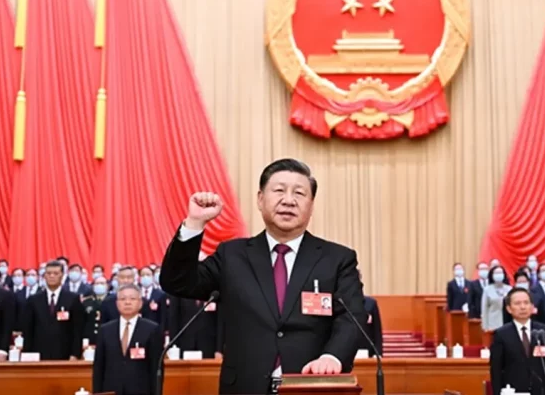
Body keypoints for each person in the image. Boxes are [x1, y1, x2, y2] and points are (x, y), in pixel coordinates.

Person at [160, 159, 366, 394]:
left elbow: (353, 317)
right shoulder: (232, 255)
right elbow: (177, 282)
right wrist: (195, 223)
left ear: (311, 205)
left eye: (299, 193)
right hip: (244, 386)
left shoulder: (337, 259)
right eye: (279, 190)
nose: (288, 200)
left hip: (310, 384)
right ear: (260, 199)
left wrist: (333, 357)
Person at [489, 287, 545, 395]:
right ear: (509, 309)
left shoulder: (544, 332)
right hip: (514, 390)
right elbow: (496, 370)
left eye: (526, 303)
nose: (523, 307)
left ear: (532, 307)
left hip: (542, 390)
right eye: (517, 303)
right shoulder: (501, 334)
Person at [92, 284, 163, 395]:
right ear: (117, 303)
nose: (127, 302)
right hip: (111, 389)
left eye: (132, 299)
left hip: (141, 390)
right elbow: (99, 367)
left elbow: (156, 367)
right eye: (123, 299)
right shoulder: (105, 330)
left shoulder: (152, 329)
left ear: (140, 303)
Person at [21, 261, 84, 360]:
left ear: (62, 276)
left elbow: (77, 330)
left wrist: (75, 354)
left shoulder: (72, 299)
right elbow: (28, 330)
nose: (52, 276)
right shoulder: (34, 300)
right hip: (38, 353)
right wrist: (27, 354)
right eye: (48, 273)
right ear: (44, 276)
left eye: (55, 273)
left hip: (64, 353)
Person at [481, 266, 512, 332]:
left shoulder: (509, 289)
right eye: (496, 273)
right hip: (493, 324)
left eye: (500, 272)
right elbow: (484, 309)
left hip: (507, 323)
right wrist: (485, 327)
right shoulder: (487, 289)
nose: (499, 275)